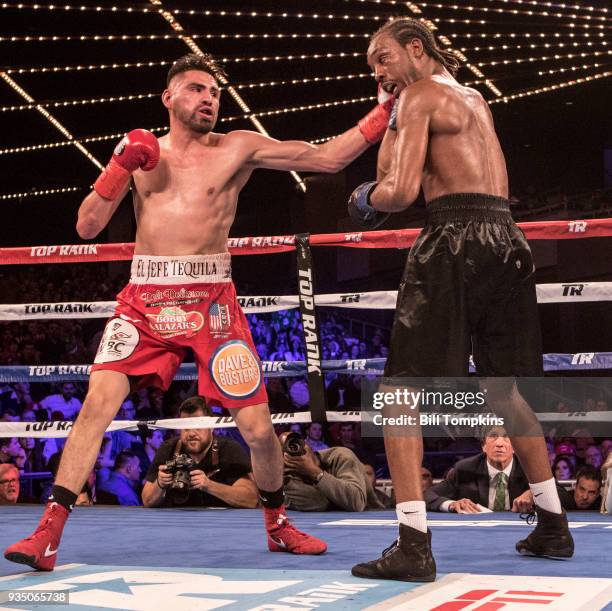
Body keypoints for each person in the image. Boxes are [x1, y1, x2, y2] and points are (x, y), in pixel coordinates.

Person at [5, 52, 394, 571]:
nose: (208, 98)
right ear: (169, 98)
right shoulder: (144, 155)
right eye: (195, 89)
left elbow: (325, 158)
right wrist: (119, 165)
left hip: (212, 301)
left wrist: (384, 111)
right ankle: (47, 536)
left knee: (257, 429)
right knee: (96, 407)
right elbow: (87, 227)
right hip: (144, 301)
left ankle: (277, 525)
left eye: (213, 91)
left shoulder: (237, 148)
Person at [348, 18, 573, 582]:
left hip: (454, 239)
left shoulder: (420, 96)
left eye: (382, 59)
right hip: (508, 237)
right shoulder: (473, 98)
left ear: (415, 49)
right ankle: (552, 524)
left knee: (399, 394)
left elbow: (396, 192)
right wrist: (393, 113)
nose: (376, 70)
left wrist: (361, 197)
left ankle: (413, 546)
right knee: (504, 390)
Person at [142, 396, 258, 509]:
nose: (191, 433)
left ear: (211, 427)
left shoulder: (230, 450)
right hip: (177, 522)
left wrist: (209, 485)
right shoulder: (168, 449)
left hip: (222, 523)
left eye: (198, 426)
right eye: (185, 427)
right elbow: (147, 500)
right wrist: (160, 484)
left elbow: (251, 499)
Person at [425, 426, 532, 513]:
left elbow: (548, 489)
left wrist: (533, 493)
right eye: (493, 436)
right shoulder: (465, 469)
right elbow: (426, 496)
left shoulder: (529, 469)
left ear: (515, 447)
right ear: (484, 446)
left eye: (506, 437)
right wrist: (450, 504)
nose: (499, 444)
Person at [279, 432, 382, 512]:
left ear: (308, 444)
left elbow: (356, 503)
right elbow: (319, 503)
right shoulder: (288, 476)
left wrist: (313, 471)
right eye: (288, 448)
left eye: (297, 442)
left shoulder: (341, 456)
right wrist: (285, 480)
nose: (295, 448)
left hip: (373, 514)